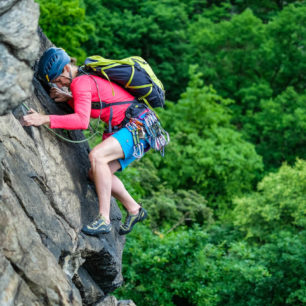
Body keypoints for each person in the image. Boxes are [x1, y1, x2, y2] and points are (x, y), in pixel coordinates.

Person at [23, 47, 168, 236]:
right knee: (96, 173)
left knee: (97, 156)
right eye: (56, 82)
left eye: (59, 79)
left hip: (137, 125)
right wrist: (68, 98)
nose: (60, 84)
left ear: (67, 68)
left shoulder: (80, 82)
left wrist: (44, 118)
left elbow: (82, 121)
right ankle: (134, 209)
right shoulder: (84, 78)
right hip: (141, 126)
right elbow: (97, 103)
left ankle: (104, 220)